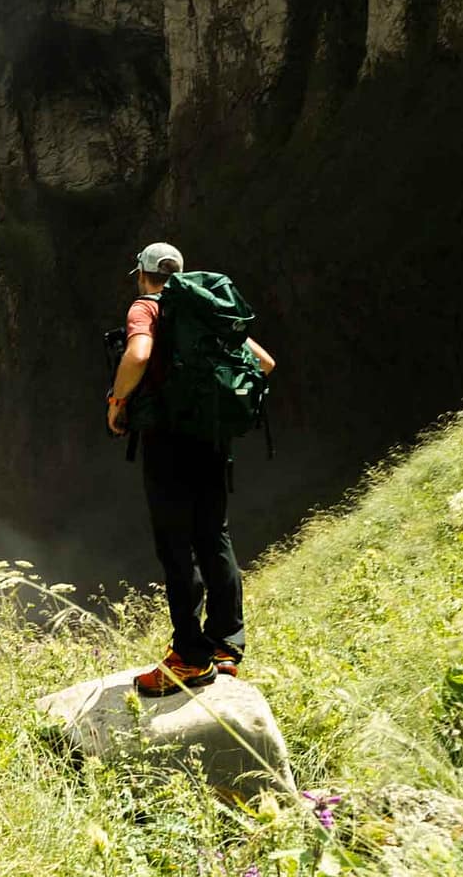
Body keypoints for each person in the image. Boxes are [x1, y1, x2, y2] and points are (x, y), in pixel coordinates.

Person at [107, 242, 276, 697]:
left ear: (142, 275)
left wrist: (118, 400)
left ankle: (189, 657)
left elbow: (138, 355)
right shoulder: (208, 312)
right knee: (213, 534)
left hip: (169, 441)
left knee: (175, 544)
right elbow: (264, 363)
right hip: (212, 438)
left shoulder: (146, 308)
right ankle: (225, 647)